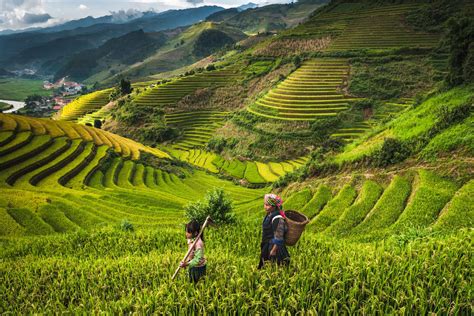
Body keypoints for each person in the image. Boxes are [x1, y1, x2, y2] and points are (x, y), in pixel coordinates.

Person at [258, 193, 290, 269]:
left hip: (275, 247)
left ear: (274, 206)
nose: (265, 207)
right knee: (265, 266)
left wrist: (273, 250)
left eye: (267, 205)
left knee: (275, 267)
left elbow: (279, 236)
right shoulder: (269, 214)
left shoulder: (277, 218)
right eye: (264, 204)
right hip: (267, 245)